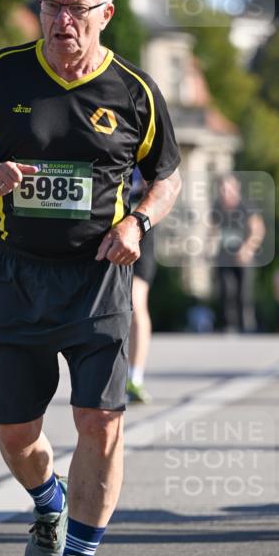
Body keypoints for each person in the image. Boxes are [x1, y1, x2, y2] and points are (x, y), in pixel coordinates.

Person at [0, 0, 181, 556]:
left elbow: (165, 176)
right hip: (13, 276)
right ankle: (47, 503)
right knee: (17, 438)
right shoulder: (6, 72)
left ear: (104, 15)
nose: (61, 19)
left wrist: (138, 222)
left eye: (76, 8)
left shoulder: (133, 90)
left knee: (100, 423)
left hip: (96, 278)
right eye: (51, 5)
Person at [211, 173, 265, 333]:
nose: (225, 192)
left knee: (244, 293)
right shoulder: (217, 206)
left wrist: (248, 248)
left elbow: (258, 230)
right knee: (226, 291)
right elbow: (213, 230)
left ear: (236, 189)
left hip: (243, 256)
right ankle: (229, 326)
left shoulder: (246, 206)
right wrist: (209, 247)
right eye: (222, 189)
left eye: (228, 188)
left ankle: (247, 326)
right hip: (224, 255)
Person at [126, 168, 156, 404]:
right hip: (102, 227)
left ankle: (135, 377)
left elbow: (165, 181)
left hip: (139, 228)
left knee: (136, 302)